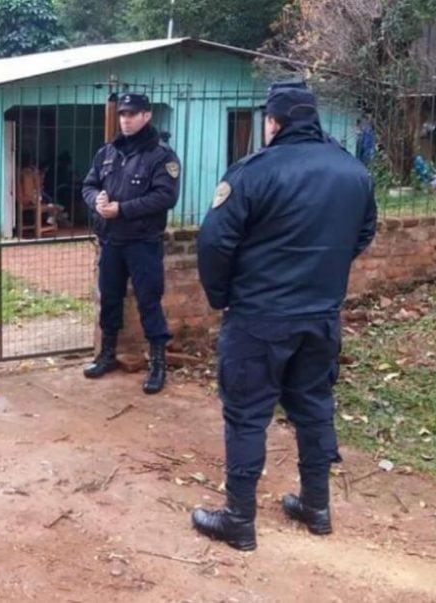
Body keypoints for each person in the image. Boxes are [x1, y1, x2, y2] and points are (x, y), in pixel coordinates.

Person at [192, 81, 377, 551]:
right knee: (313, 406)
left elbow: (214, 242)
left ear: (273, 122)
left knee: (247, 414)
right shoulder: (353, 171)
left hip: (259, 317)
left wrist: (222, 297)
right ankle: (317, 506)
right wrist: (324, 273)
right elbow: (364, 231)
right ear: (312, 118)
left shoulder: (254, 172)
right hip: (320, 316)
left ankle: (239, 519)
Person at [81, 92, 181, 394]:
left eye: (132, 114)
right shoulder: (108, 152)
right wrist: (96, 202)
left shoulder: (162, 156)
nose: (126, 119)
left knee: (149, 300)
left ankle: (157, 363)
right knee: (110, 298)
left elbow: (166, 196)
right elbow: (88, 184)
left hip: (142, 242)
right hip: (111, 241)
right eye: (123, 114)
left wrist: (123, 209)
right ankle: (107, 353)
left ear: (146, 116)